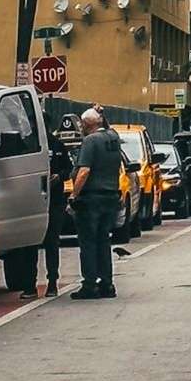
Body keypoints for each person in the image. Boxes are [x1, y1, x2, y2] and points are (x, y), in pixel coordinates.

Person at [69, 106, 123, 300]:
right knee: (103, 241)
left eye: (82, 124)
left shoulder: (90, 142)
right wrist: (100, 114)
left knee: (88, 242)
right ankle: (107, 283)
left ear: (86, 124)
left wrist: (73, 196)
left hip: (91, 198)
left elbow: (84, 171)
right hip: (110, 196)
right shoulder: (113, 137)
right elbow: (106, 127)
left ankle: (90, 284)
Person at [34, 121, 78, 300]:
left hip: (55, 200)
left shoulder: (57, 145)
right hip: (33, 200)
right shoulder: (30, 144)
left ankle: (52, 281)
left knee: (52, 241)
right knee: (31, 244)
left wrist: (59, 177)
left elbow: (69, 168)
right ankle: (29, 284)